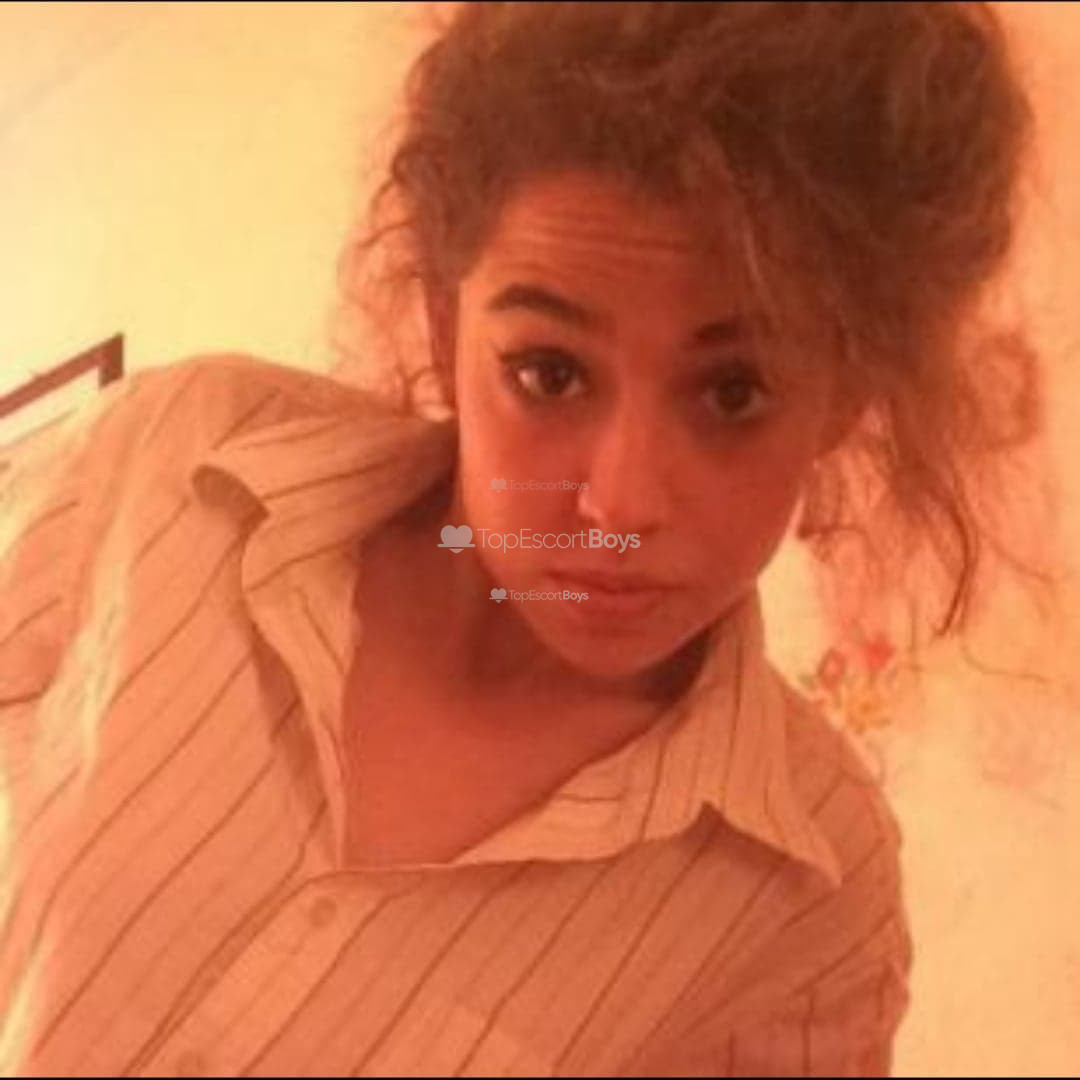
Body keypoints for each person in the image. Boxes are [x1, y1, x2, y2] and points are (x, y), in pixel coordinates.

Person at [0, 2, 1047, 1075]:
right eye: (549, 372)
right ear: (446, 325)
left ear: (843, 399)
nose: (620, 506)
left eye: (734, 392)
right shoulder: (171, 465)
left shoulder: (810, 906)